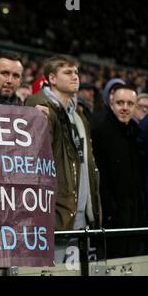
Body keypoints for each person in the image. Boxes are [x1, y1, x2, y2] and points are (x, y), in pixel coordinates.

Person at [26, 55, 102, 262]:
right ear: (51, 78)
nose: (75, 77)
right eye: (68, 73)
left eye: (76, 72)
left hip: (79, 211)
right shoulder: (39, 106)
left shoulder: (78, 115)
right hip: (56, 211)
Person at [92, 84, 146, 257]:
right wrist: (111, 212)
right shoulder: (100, 131)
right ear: (111, 103)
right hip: (110, 222)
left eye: (130, 104)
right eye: (120, 103)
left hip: (133, 220)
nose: (125, 108)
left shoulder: (135, 134)